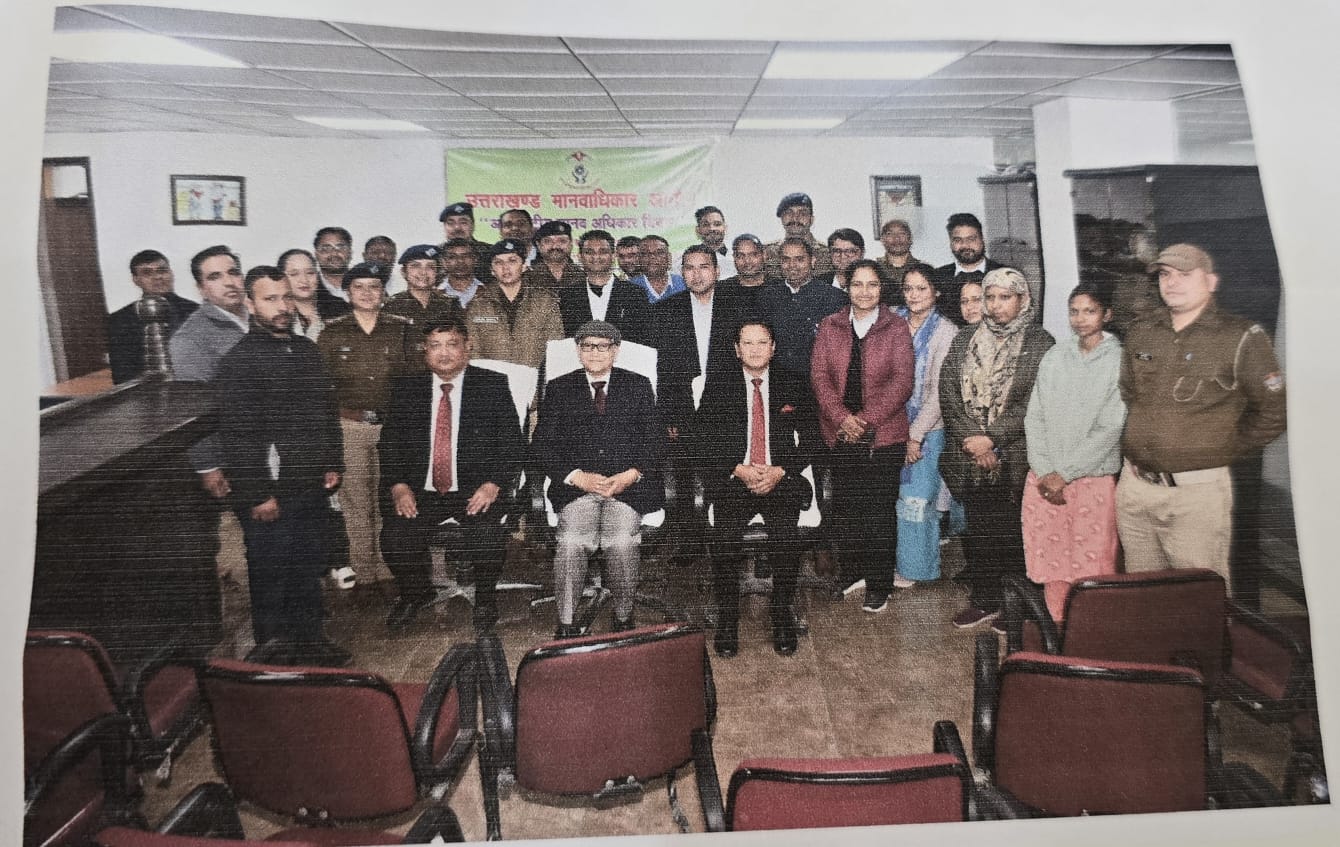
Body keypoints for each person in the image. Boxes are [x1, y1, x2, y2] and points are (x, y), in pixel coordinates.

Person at [1116, 244, 1286, 591]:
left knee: (1199, 599)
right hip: (1135, 489)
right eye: (1165, 274)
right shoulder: (1142, 331)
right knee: (1142, 596)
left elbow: (1273, 410)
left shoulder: (1240, 337)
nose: (1172, 282)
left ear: (1211, 281)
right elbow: (1129, 392)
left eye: (1184, 274)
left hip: (1195, 495)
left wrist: (1223, 446)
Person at [214, 265, 350, 667]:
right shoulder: (239, 361)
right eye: (270, 299)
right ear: (250, 303)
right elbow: (238, 435)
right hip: (269, 488)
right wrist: (258, 494)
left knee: (307, 566)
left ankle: (311, 641)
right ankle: (273, 653)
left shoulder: (306, 350)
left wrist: (331, 462)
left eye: (286, 297)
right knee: (272, 572)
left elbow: (326, 412)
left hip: (309, 482)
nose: (282, 306)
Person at [378, 316, 524, 635]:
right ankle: (416, 593)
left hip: (474, 489)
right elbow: (389, 445)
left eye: (452, 344)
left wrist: (493, 484)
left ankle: (485, 599)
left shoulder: (491, 385)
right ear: (425, 350)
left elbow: (512, 444)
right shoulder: (406, 389)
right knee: (395, 537)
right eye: (435, 345)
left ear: (467, 347)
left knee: (487, 533)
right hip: (421, 491)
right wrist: (399, 486)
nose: (443, 353)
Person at [534, 321, 664, 638]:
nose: (594, 352)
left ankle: (623, 616)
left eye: (602, 346)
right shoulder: (560, 388)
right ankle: (567, 624)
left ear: (615, 351)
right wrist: (577, 477)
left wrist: (630, 475)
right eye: (587, 346)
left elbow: (656, 442)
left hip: (627, 489)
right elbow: (541, 446)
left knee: (620, 542)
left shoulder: (638, 385)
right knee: (571, 542)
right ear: (578, 351)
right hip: (578, 490)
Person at [940, 267, 1054, 629]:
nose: (995, 304)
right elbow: (948, 392)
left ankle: (1017, 608)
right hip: (970, 454)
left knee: (1015, 535)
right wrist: (974, 442)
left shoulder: (1040, 342)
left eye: (1005, 297)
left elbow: (1035, 400)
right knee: (980, 533)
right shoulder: (966, 338)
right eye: (990, 297)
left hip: (1015, 455)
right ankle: (985, 600)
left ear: (1022, 299)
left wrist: (992, 439)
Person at [697, 319, 815, 657]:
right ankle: (728, 618)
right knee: (724, 540)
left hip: (780, 477)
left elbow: (813, 439)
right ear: (736, 349)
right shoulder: (720, 383)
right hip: (736, 478)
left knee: (786, 538)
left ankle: (781, 614)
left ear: (773, 347)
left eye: (762, 342)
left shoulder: (793, 382)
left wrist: (780, 470)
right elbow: (701, 438)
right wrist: (737, 468)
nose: (755, 350)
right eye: (747, 343)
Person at [811, 260, 915, 613]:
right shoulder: (830, 325)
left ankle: (879, 584)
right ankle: (853, 572)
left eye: (872, 284)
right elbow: (820, 378)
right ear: (847, 287)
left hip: (883, 436)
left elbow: (902, 381)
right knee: (847, 509)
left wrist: (865, 421)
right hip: (840, 433)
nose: (865, 291)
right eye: (858, 284)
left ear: (881, 288)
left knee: (879, 513)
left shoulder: (896, 327)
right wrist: (843, 419)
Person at [1022, 282, 1126, 621]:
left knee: (1092, 564)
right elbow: (1034, 416)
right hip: (1044, 479)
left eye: (1090, 311)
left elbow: (1110, 426)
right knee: (1053, 563)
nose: (1080, 319)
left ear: (1107, 315)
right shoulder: (1055, 356)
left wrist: (1064, 473)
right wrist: (1044, 470)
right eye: (1074, 311)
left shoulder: (1119, 360)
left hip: (1091, 480)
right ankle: (1057, 630)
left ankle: (1091, 634)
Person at [169, 244, 253, 657]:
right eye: (215, 276)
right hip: (233, 456)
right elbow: (195, 409)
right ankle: (257, 645)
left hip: (270, 451)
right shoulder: (192, 337)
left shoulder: (255, 317)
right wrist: (207, 464)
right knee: (252, 550)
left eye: (233, 272)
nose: (229, 282)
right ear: (201, 288)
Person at [317, 262, 410, 589]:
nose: (368, 293)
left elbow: (414, 381)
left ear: (384, 292)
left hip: (393, 428)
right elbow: (321, 390)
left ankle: (389, 570)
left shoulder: (401, 329)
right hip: (350, 427)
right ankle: (365, 576)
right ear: (347, 293)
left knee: (389, 499)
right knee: (356, 504)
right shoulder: (332, 333)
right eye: (359, 287)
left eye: (374, 287)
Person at [892, 264, 958, 588]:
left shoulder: (946, 331)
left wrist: (915, 436)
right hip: (891, 424)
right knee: (896, 499)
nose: (914, 295)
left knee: (917, 501)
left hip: (927, 430)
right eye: (909, 288)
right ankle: (901, 561)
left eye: (922, 288)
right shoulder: (893, 320)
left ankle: (916, 570)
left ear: (936, 292)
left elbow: (939, 394)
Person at [753, 237, 846, 381]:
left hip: (819, 382)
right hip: (777, 382)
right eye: (786, 259)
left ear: (812, 261)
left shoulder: (835, 298)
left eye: (799, 259)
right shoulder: (765, 297)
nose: (792, 265)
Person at [465, 239, 564, 371]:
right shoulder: (478, 305)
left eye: (512, 261)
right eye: (498, 262)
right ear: (492, 270)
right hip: (492, 380)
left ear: (524, 266)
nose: (505, 267)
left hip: (534, 380)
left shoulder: (545, 302)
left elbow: (555, 349)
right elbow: (473, 352)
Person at [106, 249, 198, 383]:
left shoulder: (195, 311)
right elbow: (121, 374)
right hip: (146, 390)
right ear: (136, 280)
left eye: (162, 271)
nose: (157, 277)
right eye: (147, 273)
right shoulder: (120, 321)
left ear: (171, 273)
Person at [559, 229, 653, 343]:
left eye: (603, 252)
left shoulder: (635, 294)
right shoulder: (567, 296)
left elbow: (643, 339)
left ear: (613, 256)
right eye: (589, 252)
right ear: (580, 257)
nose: (596, 257)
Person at [932, 213, 1004, 324]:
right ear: (951, 243)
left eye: (971, 239)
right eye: (958, 240)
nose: (965, 245)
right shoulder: (937, 277)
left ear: (982, 240)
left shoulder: (1003, 274)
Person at [763, 192, 833, 280]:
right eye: (789, 213)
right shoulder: (766, 253)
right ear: (782, 218)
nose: (795, 218)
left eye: (802, 213)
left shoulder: (829, 255)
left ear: (811, 220)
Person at [438, 201, 494, 284]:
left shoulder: (491, 252)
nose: (457, 227)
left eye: (463, 222)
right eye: (451, 223)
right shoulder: (437, 254)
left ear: (472, 225)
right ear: (445, 227)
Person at [277, 249, 325, 340]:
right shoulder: (276, 316)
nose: (304, 280)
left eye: (310, 273)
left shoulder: (338, 310)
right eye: (294, 274)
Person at [875, 219, 923, 307]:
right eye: (890, 234)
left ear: (910, 238)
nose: (896, 238)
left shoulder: (922, 269)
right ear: (882, 239)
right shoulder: (874, 269)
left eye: (902, 233)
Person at [718, 233, 773, 311]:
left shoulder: (780, 289)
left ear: (764, 255)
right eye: (740, 256)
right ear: (734, 258)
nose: (747, 261)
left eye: (753, 255)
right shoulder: (721, 291)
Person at [312, 227, 355, 321]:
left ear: (350, 253)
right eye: (326, 249)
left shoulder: (368, 286)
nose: (334, 253)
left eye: (341, 247)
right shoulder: (309, 290)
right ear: (316, 254)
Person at [527, 220, 582, 290]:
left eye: (562, 241)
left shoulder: (583, 276)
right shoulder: (527, 276)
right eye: (548, 241)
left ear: (571, 244)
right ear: (539, 245)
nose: (555, 246)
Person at [630, 235, 686, 304]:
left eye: (659, 253)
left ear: (669, 258)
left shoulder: (684, 284)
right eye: (645, 253)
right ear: (638, 259)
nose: (652, 257)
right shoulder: (629, 288)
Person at [436, 239, 484, 308]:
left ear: (475, 260)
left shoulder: (488, 291)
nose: (460, 261)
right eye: (452, 257)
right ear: (443, 262)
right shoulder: (434, 294)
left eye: (466, 256)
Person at [694, 205, 734, 278]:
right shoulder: (689, 260)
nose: (712, 228)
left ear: (725, 228)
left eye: (717, 224)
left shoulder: (738, 255)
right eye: (706, 225)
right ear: (698, 230)